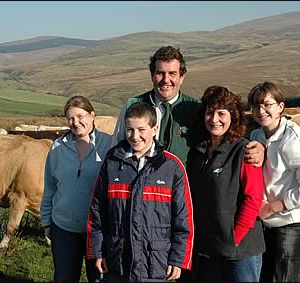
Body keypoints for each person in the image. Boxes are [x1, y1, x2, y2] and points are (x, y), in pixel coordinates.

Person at [87, 102, 194, 282]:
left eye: (141, 130)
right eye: (130, 130)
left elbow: (184, 219)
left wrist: (178, 258)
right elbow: (96, 213)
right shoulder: (112, 162)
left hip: (156, 263)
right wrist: (98, 252)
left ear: (155, 129)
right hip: (118, 260)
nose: (135, 136)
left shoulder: (171, 167)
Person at [111, 45, 264, 166]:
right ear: (152, 76)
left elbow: (224, 138)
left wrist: (258, 148)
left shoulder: (196, 109)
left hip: (182, 193)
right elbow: (114, 152)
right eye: (160, 73)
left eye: (172, 73)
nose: (166, 80)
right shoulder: (132, 106)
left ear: (182, 77)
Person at [247, 82, 300, 282]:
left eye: (267, 105)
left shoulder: (295, 139)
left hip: (294, 225)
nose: (261, 111)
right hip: (265, 225)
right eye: (255, 106)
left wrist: (275, 206)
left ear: (281, 107)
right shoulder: (256, 135)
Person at [187, 85, 265, 282]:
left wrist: (234, 239)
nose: (214, 119)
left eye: (221, 113)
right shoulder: (198, 153)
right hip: (208, 249)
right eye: (209, 112)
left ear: (233, 116)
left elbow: (253, 199)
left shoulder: (245, 150)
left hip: (240, 252)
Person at [40, 96, 112, 282]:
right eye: (70, 118)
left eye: (81, 116)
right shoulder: (57, 148)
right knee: (64, 278)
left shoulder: (108, 145)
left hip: (98, 230)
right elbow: (49, 187)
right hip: (64, 228)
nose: (76, 122)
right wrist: (47, 222)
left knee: (98, 278)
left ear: (92, 115)